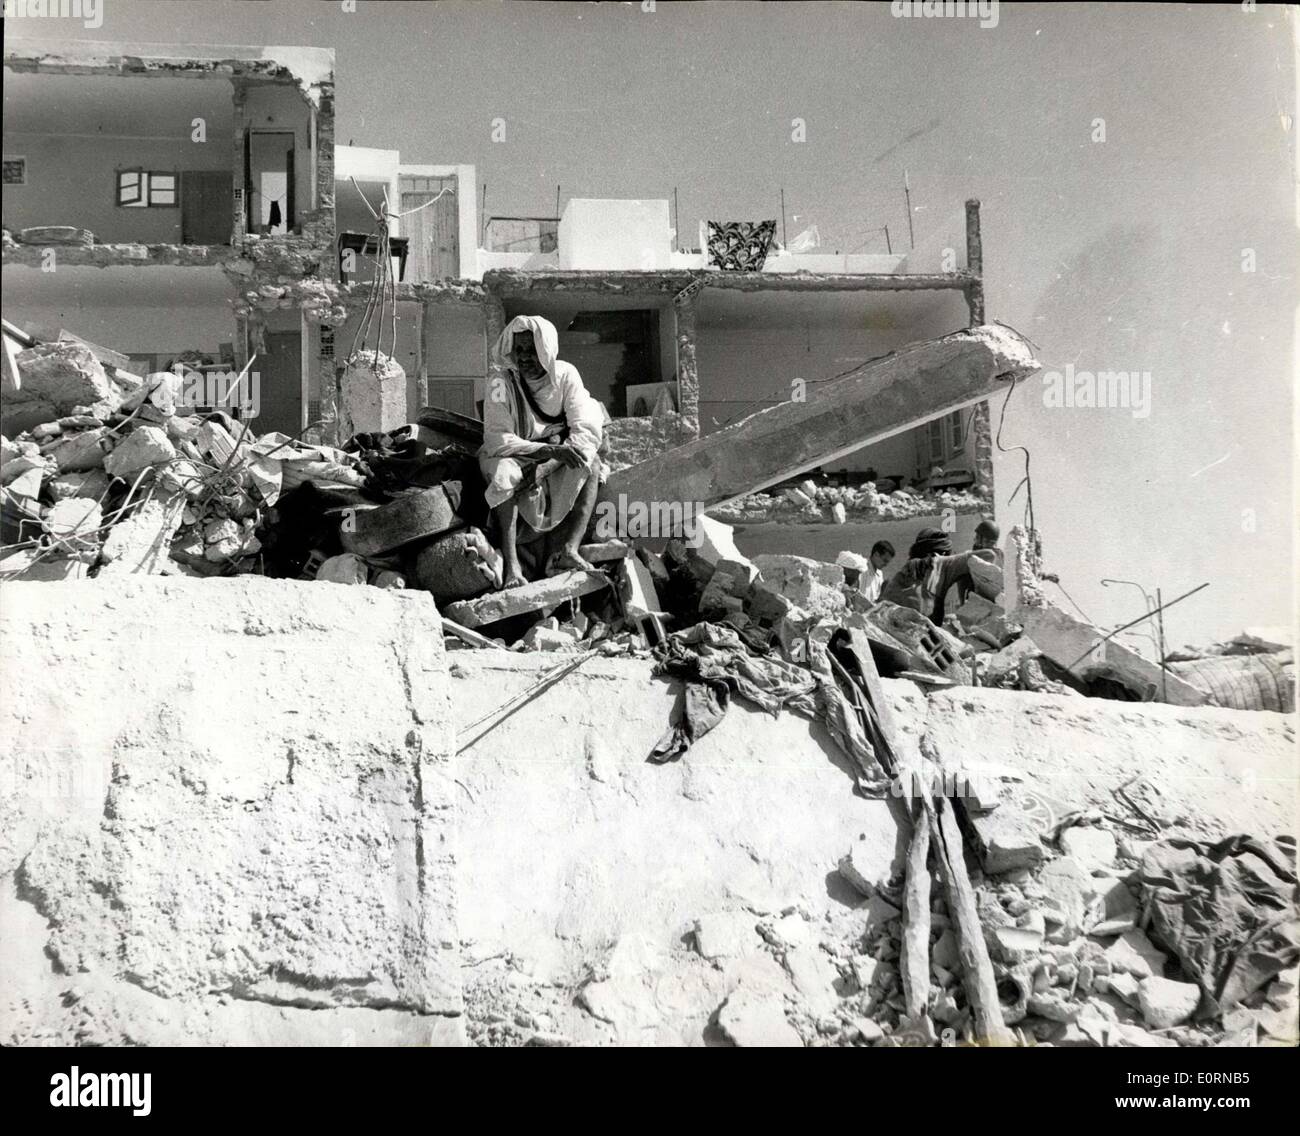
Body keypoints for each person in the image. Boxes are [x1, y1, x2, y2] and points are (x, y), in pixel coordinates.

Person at [479, 315, 605, 588]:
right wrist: (546, 451)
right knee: (503, 476)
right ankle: (512, 566)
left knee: (591, 464)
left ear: (546, 350)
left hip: (553, 458)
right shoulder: (500, 382)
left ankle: (570, 550)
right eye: (520, 350)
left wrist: (548, 464)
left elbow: (587, 430)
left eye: (532, 350)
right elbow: (497, 439)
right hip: (512, 455)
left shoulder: (565, 375)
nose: (524, 358)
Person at [879, 526, 999, 625]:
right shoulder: (942, 563)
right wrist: (963, 556)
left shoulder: (904, 570)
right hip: (922, 630)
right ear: (944, 551)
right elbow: (988, 555)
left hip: (887, 623)